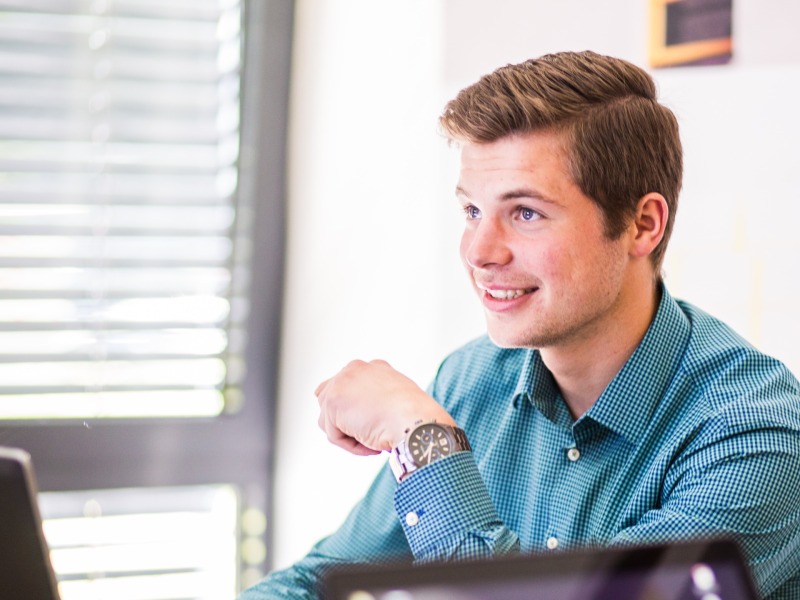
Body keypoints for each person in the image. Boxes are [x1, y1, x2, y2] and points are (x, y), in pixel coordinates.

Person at [239, 50, 800, 599]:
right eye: (472, 212)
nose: (479, 252)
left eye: (525, 213)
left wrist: (424, 440)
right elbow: (321, 580)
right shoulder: (470, 379)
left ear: (641, 225)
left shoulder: (755, 436)